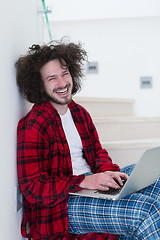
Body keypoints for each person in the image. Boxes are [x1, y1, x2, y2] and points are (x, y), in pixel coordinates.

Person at [15, 40, 160, 240]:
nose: (62, 83)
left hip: (92, 185)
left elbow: (98, 152)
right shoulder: (34, 125)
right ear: (39, 85)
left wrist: (108, 172)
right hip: (64, 204)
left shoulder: (79, 113)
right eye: (52, 78)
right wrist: (85, 180)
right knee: (146, 211)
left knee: (157, 181)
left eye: (65, 74)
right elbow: (33, 187)